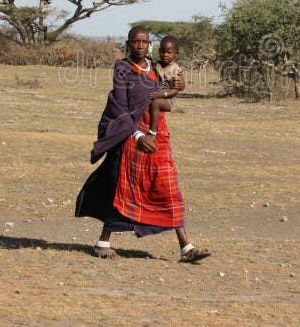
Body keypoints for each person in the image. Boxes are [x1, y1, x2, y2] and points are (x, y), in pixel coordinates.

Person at [75, 26, 210, 263]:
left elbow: (170, 91)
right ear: (128, 43)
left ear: (150, 45)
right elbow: (119, 105)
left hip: (158, 137)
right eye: (136, 41)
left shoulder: (156, 68)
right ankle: (103, 242)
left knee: (167, 185)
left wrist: (177, 86)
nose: (140, 45)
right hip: (132, 137)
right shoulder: (123, 68)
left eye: (144, 42)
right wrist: (138, 135)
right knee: (123, 188)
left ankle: (186, 247)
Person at [148, 35, 182, 140]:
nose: (165, 55)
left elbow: (175, 90)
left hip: (168, 100)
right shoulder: (156, 64)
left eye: (169, 52)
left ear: (176, 54)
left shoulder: (176, 69)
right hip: (157, 94)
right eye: (162, 52)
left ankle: (152, 131)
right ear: (159, 51)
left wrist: (162, 94)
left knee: (156, 103)